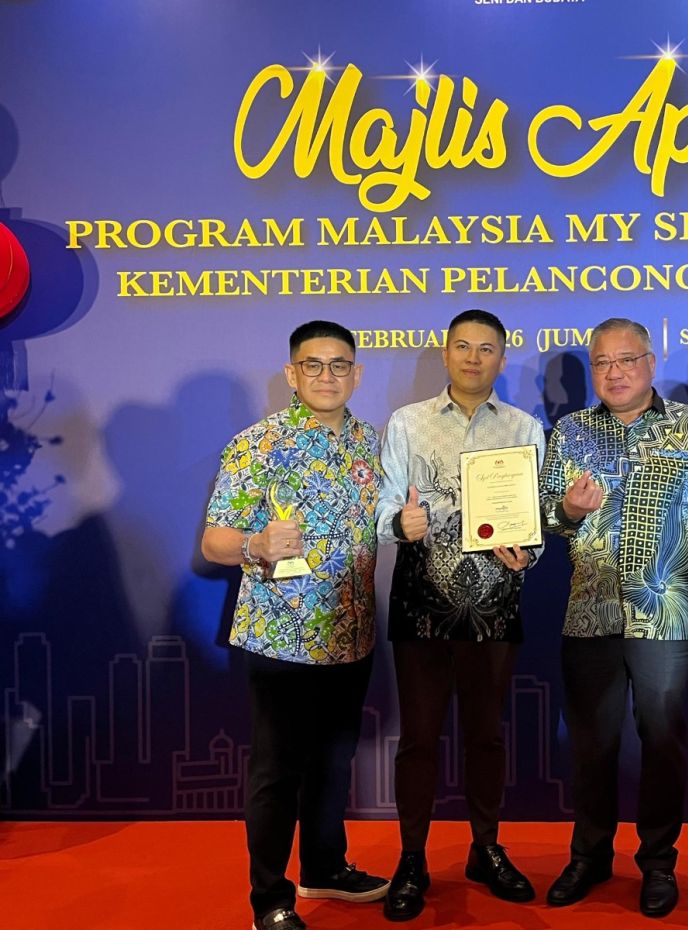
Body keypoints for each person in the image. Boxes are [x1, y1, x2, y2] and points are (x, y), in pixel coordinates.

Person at [201, 321, 388, 930]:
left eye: (339, 365)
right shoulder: (257, 444)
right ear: (292, 373)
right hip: (281, 635)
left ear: (357, 374)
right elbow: (213, 540)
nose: (327, 376)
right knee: (277, 771)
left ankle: (325, 868)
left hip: (351, 632)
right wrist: (253, 542)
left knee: (334, 761)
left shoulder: (372, 442)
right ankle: (271, 899)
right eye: (314, 365)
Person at [539, 317, 688, 917]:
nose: (614, 373)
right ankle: (590, 856)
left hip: (666, 614)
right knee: (591, 744)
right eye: (602, 363)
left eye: (626, 360)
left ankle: (658, 862)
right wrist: (569, 510)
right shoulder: (570, 431)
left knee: (662, 742)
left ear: (650, 363)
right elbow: (544, 519)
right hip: (589, 612)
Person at [376, 309, 545, 921]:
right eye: (463, 347)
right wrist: (401, 522)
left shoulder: (525, 427)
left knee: (486, 735)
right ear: (446, 354)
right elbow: (384, 508)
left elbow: (535, 520)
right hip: (420, 602)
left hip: (495, 605)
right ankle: (411, 858)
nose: (474, 358)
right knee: (418, 738)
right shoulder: (407, 422)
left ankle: (486, 848)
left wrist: (527, 551)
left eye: (486, 348)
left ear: (502, 358)